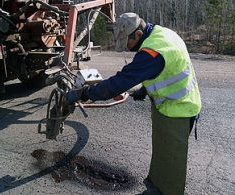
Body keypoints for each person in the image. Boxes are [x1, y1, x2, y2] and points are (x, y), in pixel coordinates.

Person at [66, 12, 201, 195]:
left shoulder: (151, 52)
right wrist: (144, 90)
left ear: (138, 34)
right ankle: (155, 184)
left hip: (178, 110)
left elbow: (118, 84)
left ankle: (165, 191)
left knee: (171, 161)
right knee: (163, 152)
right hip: (172, 105)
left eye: (128, 43)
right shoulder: (161, 34)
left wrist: (85, 93)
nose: (129, 48)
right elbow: (167, 67)